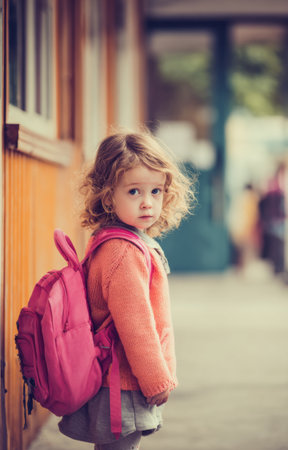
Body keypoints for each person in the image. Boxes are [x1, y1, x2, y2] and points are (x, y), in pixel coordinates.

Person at [58, 129, 194, 450]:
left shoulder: (121, 240)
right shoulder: (123, 252)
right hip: (124, 383)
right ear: (108, 195)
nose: (148, 202)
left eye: (156, 191)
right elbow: (136, 327)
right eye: (134, 191)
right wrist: (156, 379)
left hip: (123, 380)